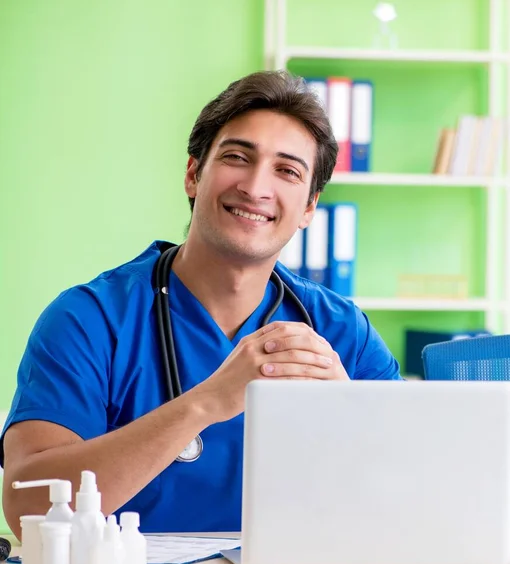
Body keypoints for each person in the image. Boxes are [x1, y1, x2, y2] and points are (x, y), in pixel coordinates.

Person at [1, 70, 401, 539]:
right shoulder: (88, 321)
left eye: (287, 171)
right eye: (237, 157)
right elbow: (30, 509)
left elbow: (422, 492)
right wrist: (207, 402)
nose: (255, 187)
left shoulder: (339, 331)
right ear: (194, 174)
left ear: (310, 207)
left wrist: (350, 412)